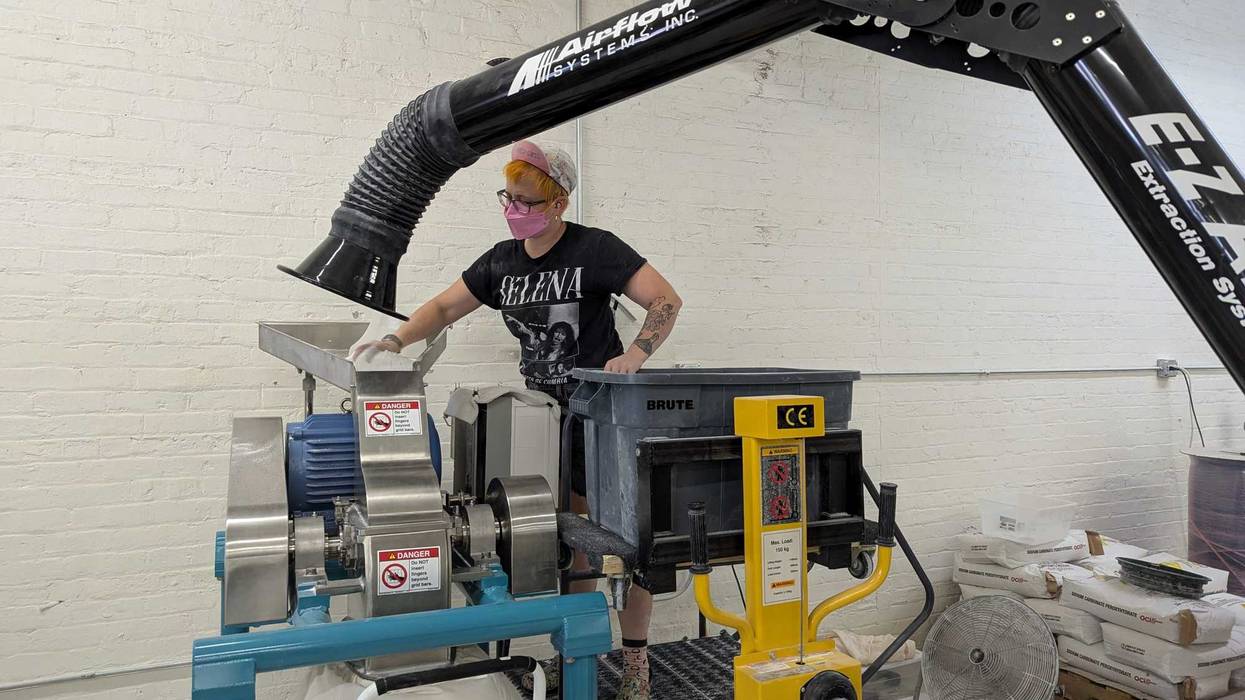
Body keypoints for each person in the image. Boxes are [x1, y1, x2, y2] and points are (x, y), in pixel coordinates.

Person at [353, 140, 682, 700]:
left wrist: (636, 356)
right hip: (541, 419)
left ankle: (635, 668)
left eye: (527, 200)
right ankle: (576, 655)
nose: (515, 209)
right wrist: (395, 337)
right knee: (564, 541)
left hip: (600, 418)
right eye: (508, 197)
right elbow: (442, 308)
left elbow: (665, 300)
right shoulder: (501, 263)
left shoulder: (595, 249)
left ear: (558, 203)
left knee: (627, 542)